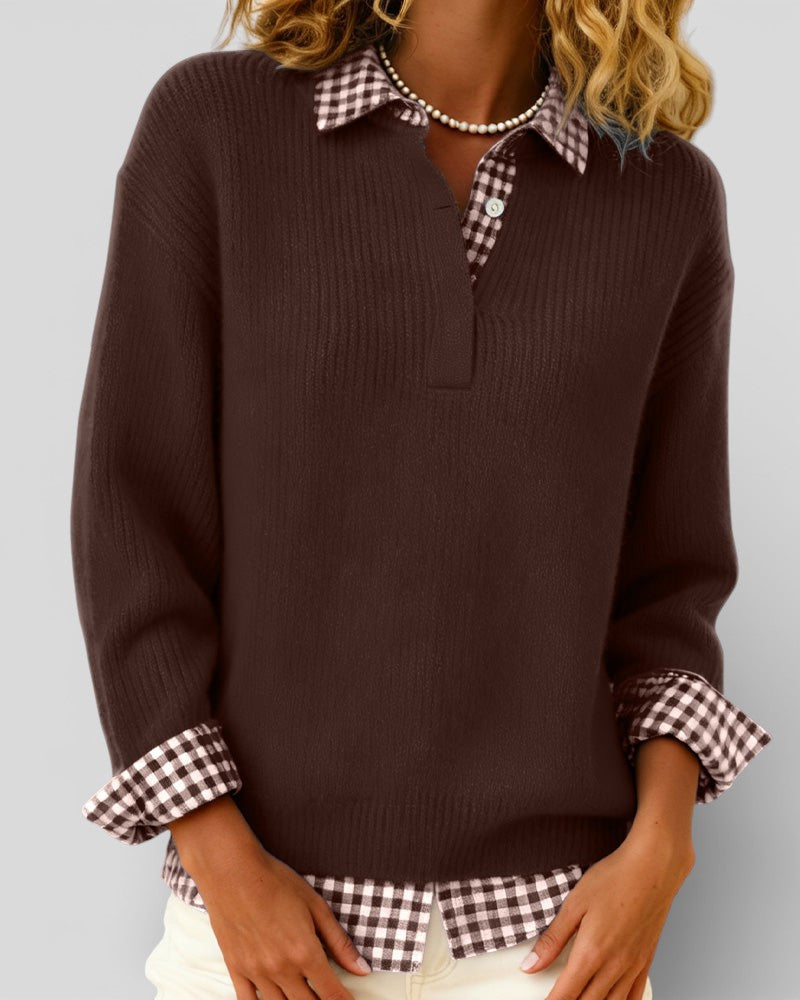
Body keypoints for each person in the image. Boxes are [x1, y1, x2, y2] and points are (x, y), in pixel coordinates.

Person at [70, 0, 773, 997]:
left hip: (550, 941)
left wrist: (662, 846)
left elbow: (670, 583)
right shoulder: (217, 125)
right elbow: (133, 522)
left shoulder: (665, 195)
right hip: (269, 927)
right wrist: (221, 860)